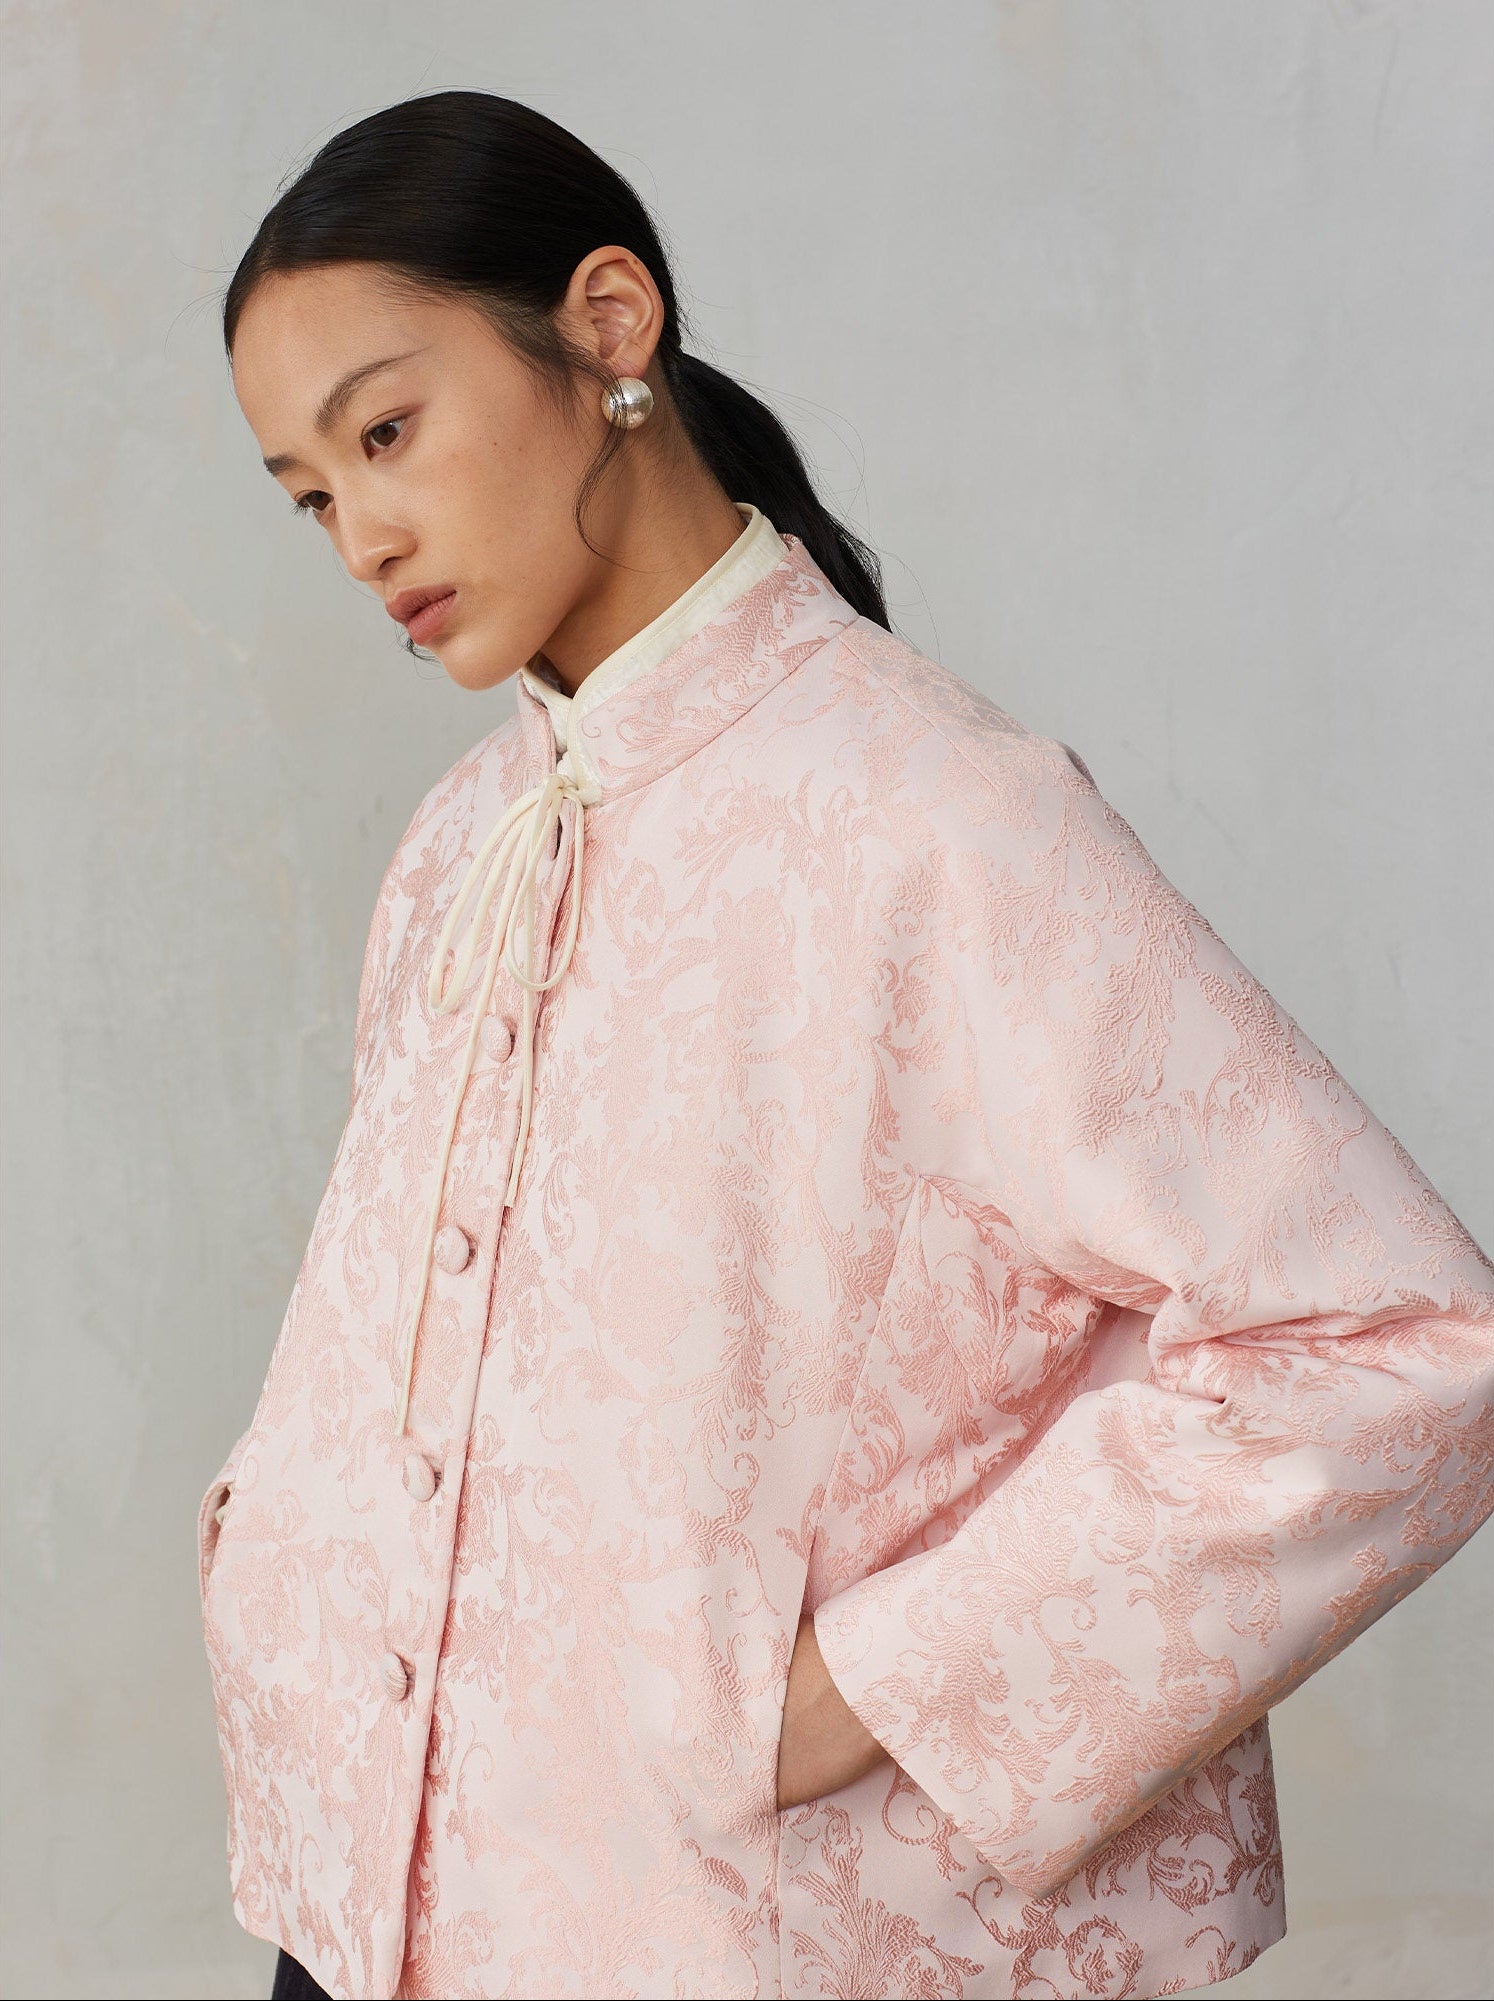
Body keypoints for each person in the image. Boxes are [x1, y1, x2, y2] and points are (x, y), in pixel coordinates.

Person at [201, 88, 1494, 2001]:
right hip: (365, 1905)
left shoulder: (935, 820)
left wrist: (860, 1692)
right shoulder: (465, 842)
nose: (361, 532)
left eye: (386, 431)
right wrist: (273, 1552)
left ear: (609, 325)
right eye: (312, 492)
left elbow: (1389, 1347)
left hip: (719, 1926)